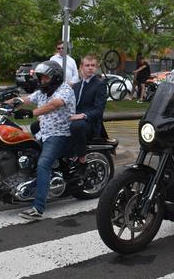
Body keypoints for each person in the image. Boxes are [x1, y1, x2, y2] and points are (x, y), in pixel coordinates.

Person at [7, 60, 76, 220]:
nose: (42, 81)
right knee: (25, 154)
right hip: (43, 133)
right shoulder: (43, 92)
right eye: (41, 78)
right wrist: (1, 105)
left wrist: (31, 114)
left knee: (43, 164)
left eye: (45, 78)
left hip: (60, 135)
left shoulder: (65, 90)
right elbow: (26, 99)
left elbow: (54, 105)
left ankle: (38, 208)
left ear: (55, 77)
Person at [69, 54, 107, 175]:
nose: (90, 68)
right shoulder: (76, 86)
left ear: (96, 67)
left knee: (76, 126)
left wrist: (82, 115)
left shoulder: (99, 85)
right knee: (37, 125)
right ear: (81, 67)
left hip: (90, 122)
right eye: (87, 65)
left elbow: (99, 110)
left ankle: (81, 160)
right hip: (73, 118)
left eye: (93, 65)